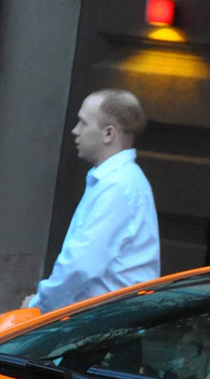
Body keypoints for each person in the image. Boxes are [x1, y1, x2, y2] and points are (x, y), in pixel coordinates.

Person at [23, 90, 160, 312]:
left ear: (108, 134)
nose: (75, 131)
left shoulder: (118, 185)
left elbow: (80, 266)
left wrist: (38, 306)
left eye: (83, 123)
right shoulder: (120, 181)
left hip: (106, 328)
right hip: (109, 324)